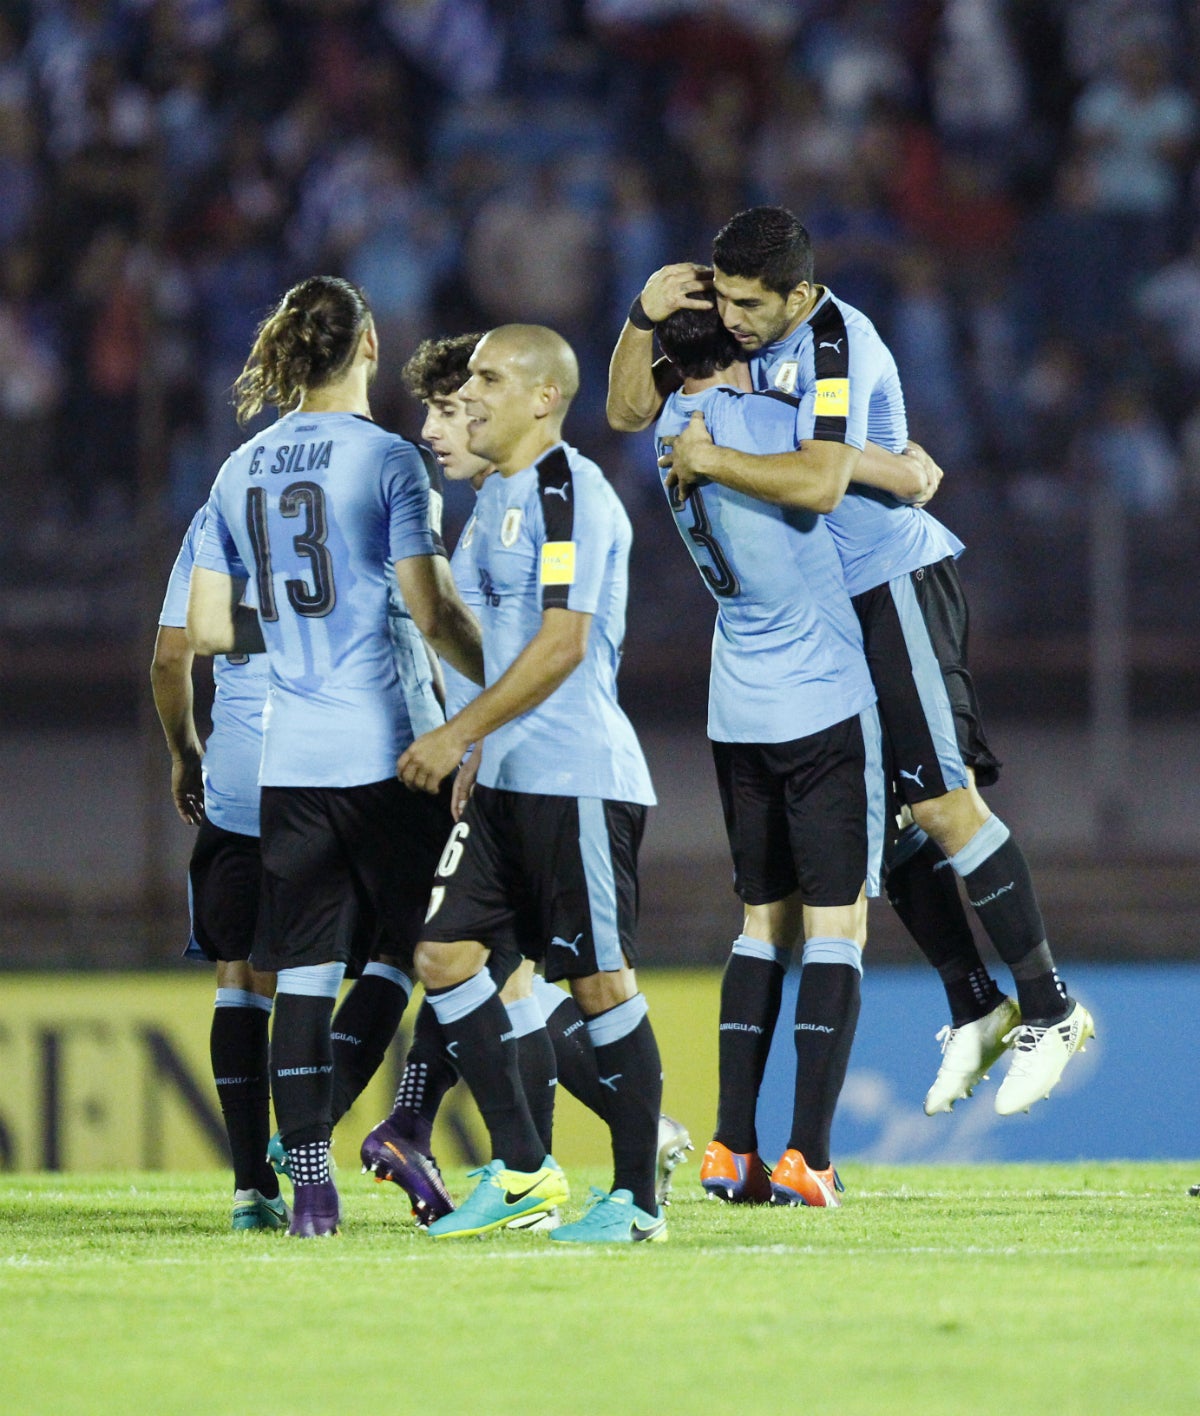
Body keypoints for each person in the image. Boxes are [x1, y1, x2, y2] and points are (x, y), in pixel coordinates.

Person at [612, 207, 1094, 1119]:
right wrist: (641, 319)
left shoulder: (837, 343)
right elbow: (631, 408)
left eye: (751, 304)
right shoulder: (745, 340)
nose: (733, 319)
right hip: (825, 614)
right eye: (725, 301)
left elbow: (822, 480)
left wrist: (717, 457)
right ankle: (975, 1004)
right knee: (885, 822)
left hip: (889, 582)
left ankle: (1050, 1007)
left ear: (797, 294)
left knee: (942, 801)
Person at [359, 333, 692, 1223]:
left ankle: (635, 1199)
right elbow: (494, 647)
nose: (470, 393)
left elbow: (562, 643)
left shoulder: (569, 491)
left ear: (544, 398)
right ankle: (523, 1173)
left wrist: (457, 732)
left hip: (576, 776)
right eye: (467, 379)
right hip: (504, 778)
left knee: (599, 984)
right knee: (444, 956)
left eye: (489, 378)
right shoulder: (497, 499)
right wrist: (478, 746)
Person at [187, 275, 484, 1237]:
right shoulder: (393, 460)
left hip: (292, 758)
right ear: (369, 345)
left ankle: (310, 1190)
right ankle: (404, 1123)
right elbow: (432, 608)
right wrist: (509, 679)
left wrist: (294, 628)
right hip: (391, 752)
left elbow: (206, 628)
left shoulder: (239, 469)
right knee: (443, 947)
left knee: (306, 976)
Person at [654, 304, 885, 1207]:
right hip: (818, 698)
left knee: (761, 924)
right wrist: (910, 467)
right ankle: (808, 1157)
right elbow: (844, 474)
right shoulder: (771, 423)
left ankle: (729, 1149)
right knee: (836, 928)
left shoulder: (670, 430)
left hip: (737, 705)